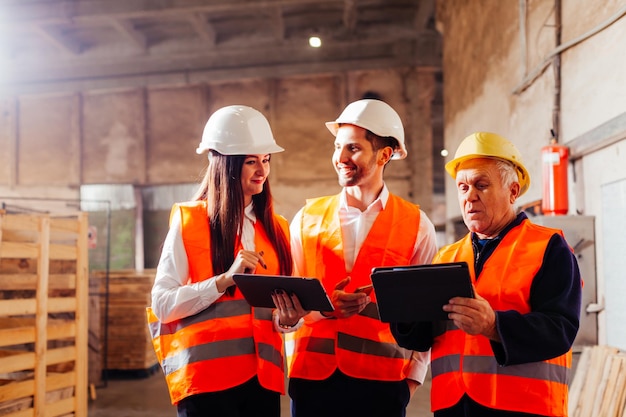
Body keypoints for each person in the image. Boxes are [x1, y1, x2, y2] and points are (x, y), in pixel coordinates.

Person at [391, 132, 582, 417]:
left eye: (481, 185)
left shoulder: (548, 247)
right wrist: (403, 309)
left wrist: (495, 325)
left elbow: (560, 330)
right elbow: (422, 338)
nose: (470, 196)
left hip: (523, 408)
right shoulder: (446, 257)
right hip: (454, 406)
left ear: (513, 191)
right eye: (463, 187)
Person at [146, 105, 306, 417]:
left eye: (266, 160)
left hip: (263, 383)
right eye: (251, 162)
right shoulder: (190, 222)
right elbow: (163, 304)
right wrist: (224, 280)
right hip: (206, 387)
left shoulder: (278, 229)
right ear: (225, 165)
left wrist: (289, 319)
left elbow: (278, 316)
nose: (262, 170)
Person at [286, 98, 438, 417]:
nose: (340, 158)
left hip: (383, 386)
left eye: (353, 148)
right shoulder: (305, 219)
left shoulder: (417, 225)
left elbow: (427, 314)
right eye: (337, 146)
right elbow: (287, 308)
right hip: (312, 380)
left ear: (385, 155)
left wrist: (412, 381)